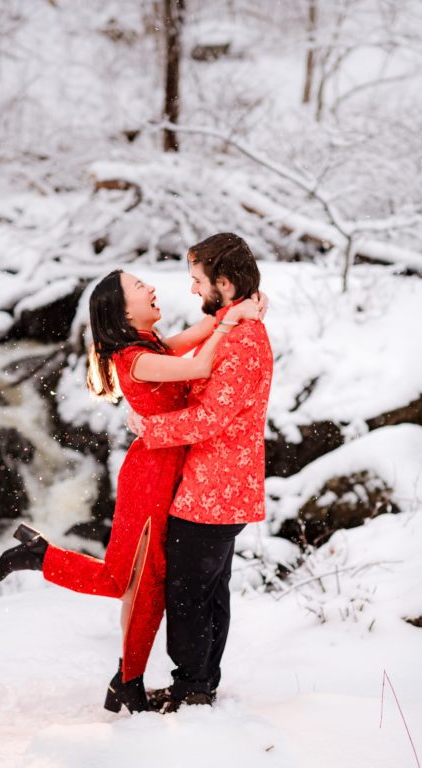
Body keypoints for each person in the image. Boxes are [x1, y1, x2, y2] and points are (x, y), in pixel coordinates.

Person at [0, 265, 264, 714]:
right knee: (127, 578)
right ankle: (43, 558)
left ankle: (128, 680)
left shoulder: (149, 344)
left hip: (168, 469)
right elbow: (200, 363)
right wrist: (233, 323)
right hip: (151, 475)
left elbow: (202, 330)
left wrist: (240, 310)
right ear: (122, 310)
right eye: (140, 286)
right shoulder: (135, 359)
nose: (152, 287)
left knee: (149, 583)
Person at [127, 233, 273, 712]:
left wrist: (149, 429)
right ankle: (199, 682)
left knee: (189, 594)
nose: (191, 290)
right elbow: (186, 345)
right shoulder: (230, 326)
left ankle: (192, 688)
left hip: (217, 489)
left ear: (225, 284)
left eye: (197, 281)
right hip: (215, 485)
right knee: (206, 592)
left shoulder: (244, 342)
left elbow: (210, 419)